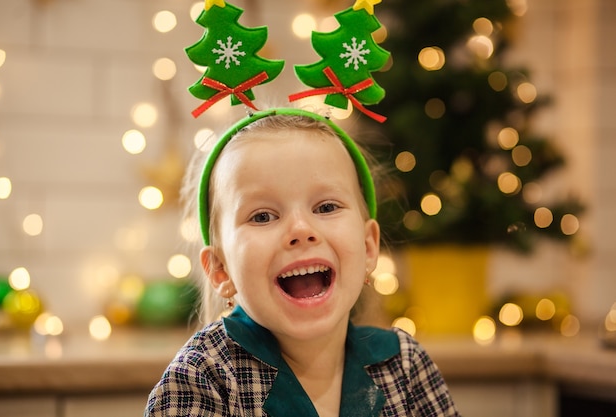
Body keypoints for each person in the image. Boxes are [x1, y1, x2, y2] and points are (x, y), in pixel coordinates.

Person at [144, 107, 461, 417]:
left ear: (368, 248)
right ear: (220, 269)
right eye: (263, 216)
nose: (301, 230)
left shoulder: (404, 366)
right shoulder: (202, 379)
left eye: (325, 207)